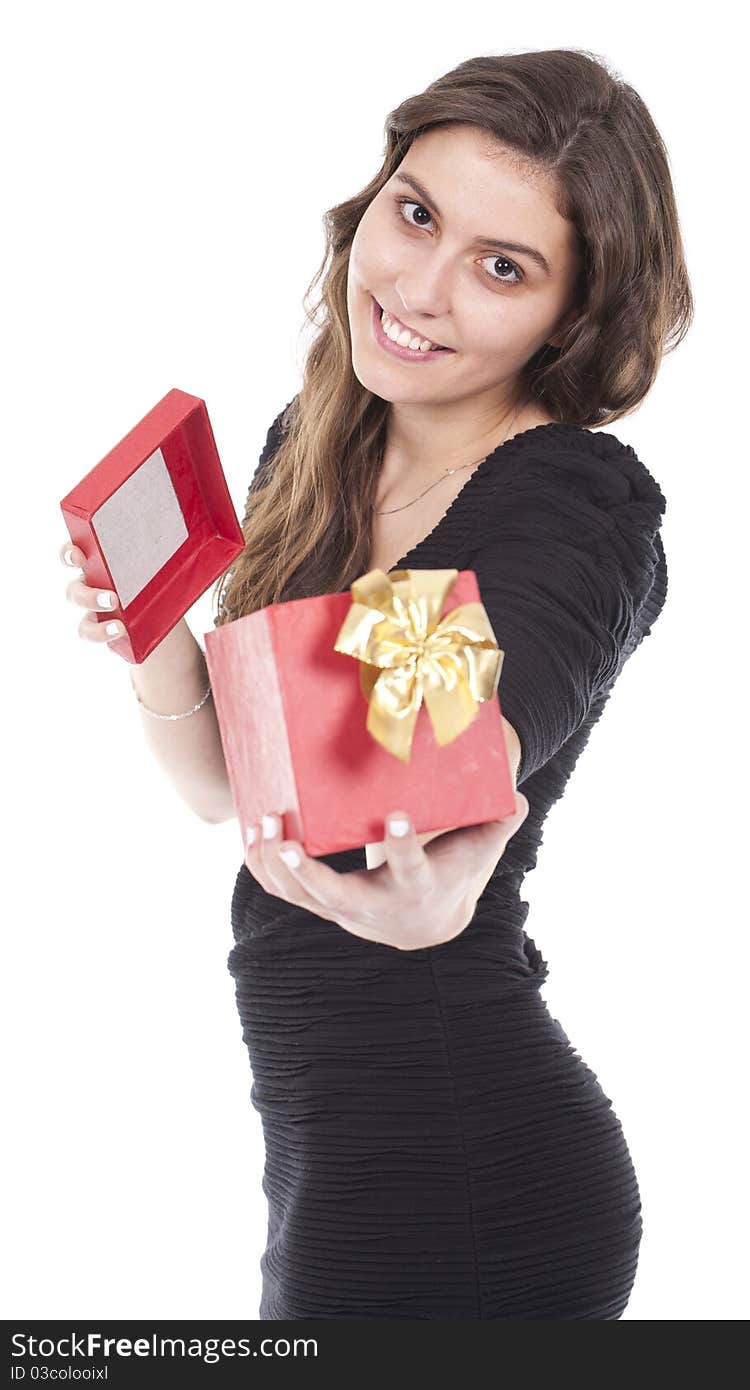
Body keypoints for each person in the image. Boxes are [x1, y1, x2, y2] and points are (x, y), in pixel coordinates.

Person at [61, 49, 692, 1319]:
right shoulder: (319, 440)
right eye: (416, 214)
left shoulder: (569, 498)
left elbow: (472, 738)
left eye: (501, 267)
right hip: (326, 1144)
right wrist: (151, 635)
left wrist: (445, 878)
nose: (418, 287)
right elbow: (229, 795)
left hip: (464, 1165)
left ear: (569, 320)